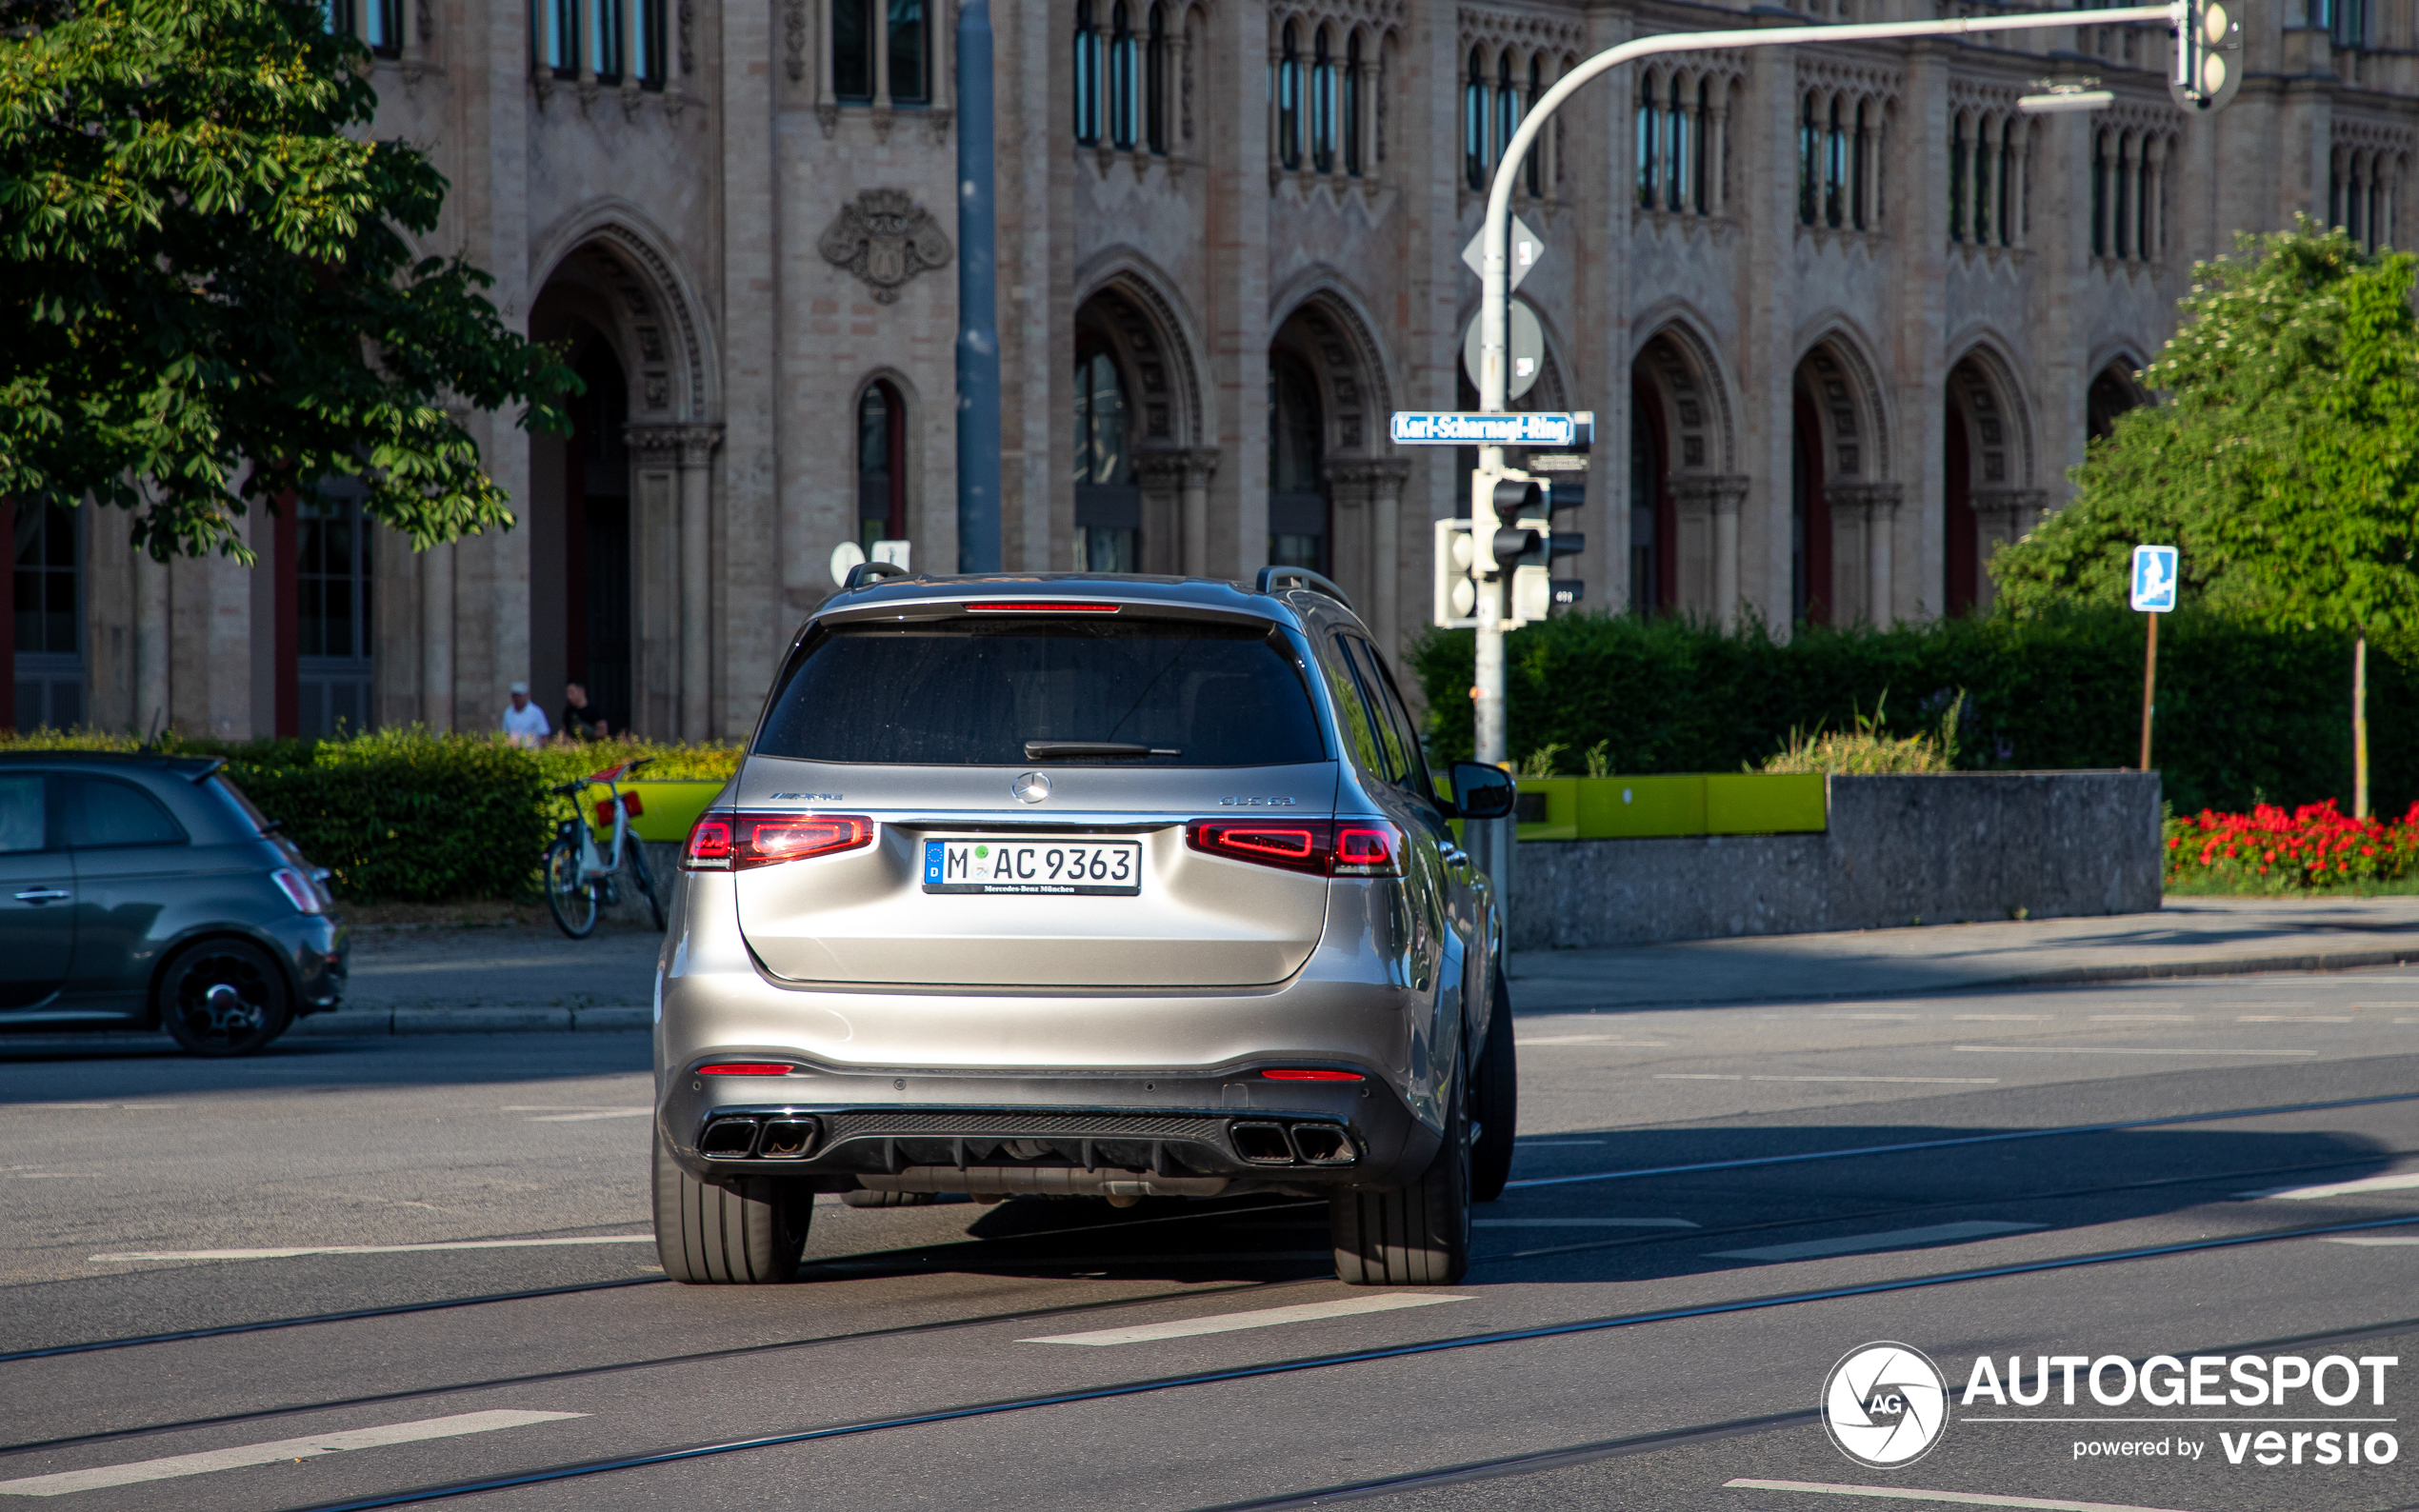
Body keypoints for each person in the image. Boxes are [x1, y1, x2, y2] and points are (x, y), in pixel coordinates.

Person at [501, 681, 550, 748]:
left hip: (531, 753)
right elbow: (505, 734)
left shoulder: (536, 712)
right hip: (513, 753)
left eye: (519, 696)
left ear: (526, 695)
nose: (517, 698)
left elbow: (544, 734)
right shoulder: (508, 713)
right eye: (515, 696)